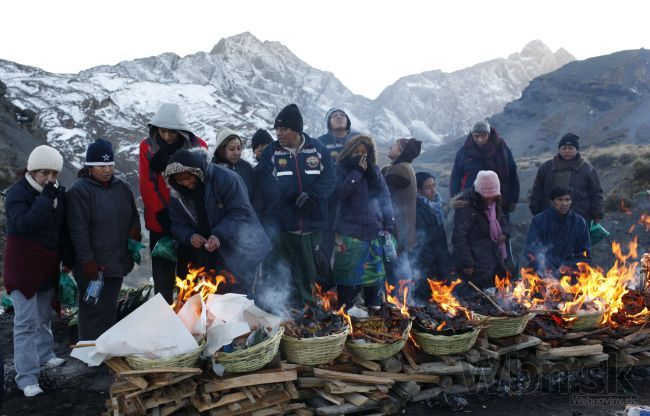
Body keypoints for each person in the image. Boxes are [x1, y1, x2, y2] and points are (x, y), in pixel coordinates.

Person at [3, 145, 70, 397]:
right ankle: (26, 377)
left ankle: (45, 354)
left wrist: (67, 259)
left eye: (54, 174)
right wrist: (45, 199)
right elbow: (24, 225)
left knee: (43, 315)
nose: (50, 179)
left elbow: (61, 229)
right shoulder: (16, 193)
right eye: (44, 173)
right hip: (22, 264)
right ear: (32, 171)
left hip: (48, 262)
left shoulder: (57, 194)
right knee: (25, 322)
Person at [258, 104, 336, 306]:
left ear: (296, 130)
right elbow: (264, 180)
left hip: (312, 226)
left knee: (309, 275)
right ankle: (280, 312)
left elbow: (330, 178)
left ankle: (309, 314)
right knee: (281, 273)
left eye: (283, 129)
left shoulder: (318, 149)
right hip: (282, 227)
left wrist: (313, 197)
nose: (279, 134)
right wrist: (292, 196)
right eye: (277, 130)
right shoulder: (271, 152)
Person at [165, 148, 270, 296]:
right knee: (214, 298)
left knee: (242, 298)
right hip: (209, 254)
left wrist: (218, 235)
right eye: (179, 180)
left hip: (240, 249)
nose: (185, 184)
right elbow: (177, 224)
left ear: (197, 172)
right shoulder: (177, 193)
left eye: (188, 178)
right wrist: (189, 236)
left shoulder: (227, 179)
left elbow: (241, 212)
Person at [67, 139, 141, 340]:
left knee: (108, 308)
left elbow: (133, 215)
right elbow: (78, 231)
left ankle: (106, 354)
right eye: (101, 165)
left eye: (110, 164)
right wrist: (88, 262)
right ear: (89, 167)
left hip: (116, 262)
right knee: (92, 310)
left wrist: (134, 234)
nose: (107, 170)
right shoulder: (80, 191)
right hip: (93, 266)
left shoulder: (122, 187)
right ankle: (89, 354)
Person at [139, 103, 207, 303]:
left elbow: (203, 180)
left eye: (172, 132)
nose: (167, 136)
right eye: (162, 131)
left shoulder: (198, 146)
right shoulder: (148, 147)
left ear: (181, 130)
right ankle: (163, 314)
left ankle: (190, 315)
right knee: (163, 274)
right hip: (160, 221)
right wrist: (161, 212)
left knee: (190, 272)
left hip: (190, 220)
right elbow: (146, 184)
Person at [332, 135, 395, 309]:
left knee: (373, 283)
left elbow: (385, 197)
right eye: (357, 151)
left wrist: (388, 223)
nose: (361, 155)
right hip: (350, 235)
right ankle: (346, 319)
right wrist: (357, 172)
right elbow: (340, 194)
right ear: (348, 152)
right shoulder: (341, 169)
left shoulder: (374, 171)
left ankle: (374, 318)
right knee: (348, 284)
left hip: (374, 234)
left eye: (364, 152)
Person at [452, 170, 509, 290]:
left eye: (492, 196)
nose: (489, 199)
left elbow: (502, 221)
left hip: (494, 257)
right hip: (476, 262)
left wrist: (504, 233)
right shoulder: (466, 206)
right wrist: (467, 263)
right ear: (478, 191)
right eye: (486, 196)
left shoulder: (495, 202)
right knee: (478, 298)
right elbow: (459, 237)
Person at [529, 133, 604, 224]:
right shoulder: (546, 168)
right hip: (549, 219)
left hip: (579, 220)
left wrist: (597, 214)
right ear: (559, 150)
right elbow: (537, 190)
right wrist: (535, 211)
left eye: (570, 148)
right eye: (564, 148)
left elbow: (596, 193)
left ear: (576, 150)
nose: (567, 151)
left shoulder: (587, 170)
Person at [318, 108, 362, 263]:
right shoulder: (320, 142)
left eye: (342, 115)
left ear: (348, 120)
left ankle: (349, 285)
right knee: (325, 247)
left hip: (353, 205)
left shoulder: (358, 141)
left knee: (350, 250)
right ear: (328, 122)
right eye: (334, 116)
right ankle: (322, 284)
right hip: (328, 204)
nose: (338, 117)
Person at [450, 120, 519, 218]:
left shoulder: (501, 149)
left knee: (500, 229)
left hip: (498, 200)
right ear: (472, 135)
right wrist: (455, 198)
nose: (480, 139)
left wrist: (513, 199)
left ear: (489, 134)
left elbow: (512, 172)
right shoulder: (464, 152)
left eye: (483, 136)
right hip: (470, 202)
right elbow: (455, 176)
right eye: (476, 136)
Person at [382, 137, 422, 286]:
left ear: (400, 151)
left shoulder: (400, 170)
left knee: (398, 269)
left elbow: (381, 191)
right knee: (400, 265)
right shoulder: (403, 167)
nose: (390, 147)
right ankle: (405, 300)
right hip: (402, 228)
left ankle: (403, 301)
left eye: (394, 146)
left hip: (398, 229)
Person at [525, 187, 591, 274]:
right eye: (560, 200)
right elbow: (530, 249)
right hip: (543, 269)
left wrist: (568, 266)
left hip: (570, 270)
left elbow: (584, 252)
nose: (564, 203)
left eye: (567, 200)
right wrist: (542, 266)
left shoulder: (579, 222)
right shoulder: (539, 220)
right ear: (552, 202)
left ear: (571, 202)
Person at [413, 172, 452, 286]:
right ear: (419, 190)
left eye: (434, 185)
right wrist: (432, 271)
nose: (433, 190)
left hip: (441, 259)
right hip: (428, 266)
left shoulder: (435, 206)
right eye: (428, 187)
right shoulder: (418, 210)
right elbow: (424, 243)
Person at [212, 127, 254, 201]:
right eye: (231, 149)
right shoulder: (213, 170)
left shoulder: (246, 167)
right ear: (221, 150)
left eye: (239, 148)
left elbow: (255, 193)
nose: (236, 153)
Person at [250, 129, 275, 231]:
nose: (260, 148)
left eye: (264, 144)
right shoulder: (254, 173)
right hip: (267, 225)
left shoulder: (284, 166)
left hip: (290, 224)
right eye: (256, 146)